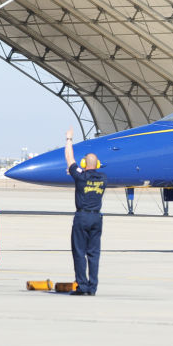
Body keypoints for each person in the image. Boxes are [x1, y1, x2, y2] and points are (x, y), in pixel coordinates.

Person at [65, 127, 107, 296]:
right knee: (94, 254)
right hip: (97, 218)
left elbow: (69, 158)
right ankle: (93, 288)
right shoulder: (103, 178)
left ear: (84, 164)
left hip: (82, 217)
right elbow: (95, 169)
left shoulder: (81, 177)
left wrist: (69, 139)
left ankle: (82, 286)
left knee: (79, 253)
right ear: (96, 165)